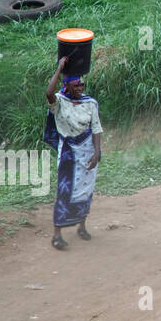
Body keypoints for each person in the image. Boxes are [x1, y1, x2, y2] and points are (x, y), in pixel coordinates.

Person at [44, 57, 103, 250]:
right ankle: (57, 235)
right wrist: (59, 69)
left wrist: (97, 152)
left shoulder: (90, 103)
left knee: (86, 189)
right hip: (69, 151)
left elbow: (96, 129)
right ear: (67, 86)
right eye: (76, 85)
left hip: (87, 150)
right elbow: (49, 93)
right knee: (65, 189)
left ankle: (82, 226)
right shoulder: (60, 102)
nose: (80, 88)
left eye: (82, 84)